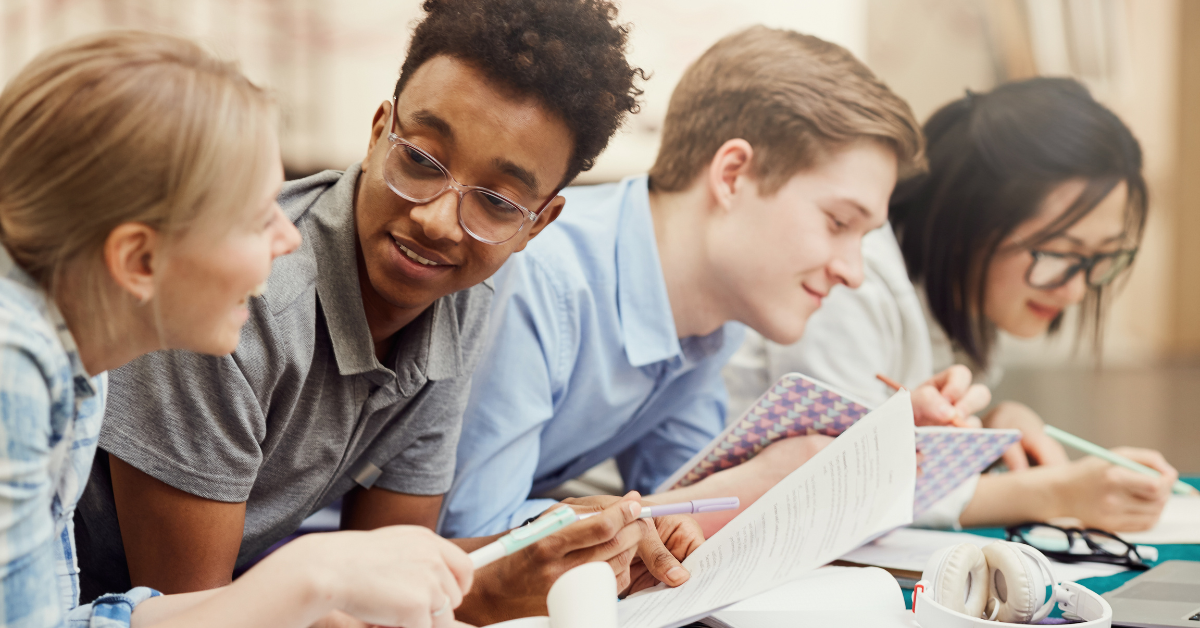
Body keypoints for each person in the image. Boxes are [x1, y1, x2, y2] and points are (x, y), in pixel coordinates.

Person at [75, 1, 695, 624]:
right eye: (421, 160)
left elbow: (392, 571)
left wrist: (547, 551)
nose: (435, 220)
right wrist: (495, 585)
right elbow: (194, 612)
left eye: (497, 203)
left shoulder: (461, 296)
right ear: (378, 134)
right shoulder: (236, 298)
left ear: (538, 224)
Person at [0, 30, 480, 628]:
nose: (290, 237)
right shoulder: (14, 368)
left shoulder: (78, 365)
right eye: (258, 219)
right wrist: (307, 575)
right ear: (139, 261)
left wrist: (299, 602)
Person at [441, 26, 938, 543]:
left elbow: (677, 520)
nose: (853, 272)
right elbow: (476, 542)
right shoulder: (544, 279)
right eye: (838, 222)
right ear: (733, 176)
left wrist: (848, 449)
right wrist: (761, 483)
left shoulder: (713, 322)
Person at [728, 77, 1179, 531]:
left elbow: (906, 451)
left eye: (1101, 259)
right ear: (969, 225)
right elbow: (848, 487)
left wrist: (994, 427)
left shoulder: (968, 295)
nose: (1077, 291)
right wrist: (1057, 492)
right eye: (1060, 253)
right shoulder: (851, 282)